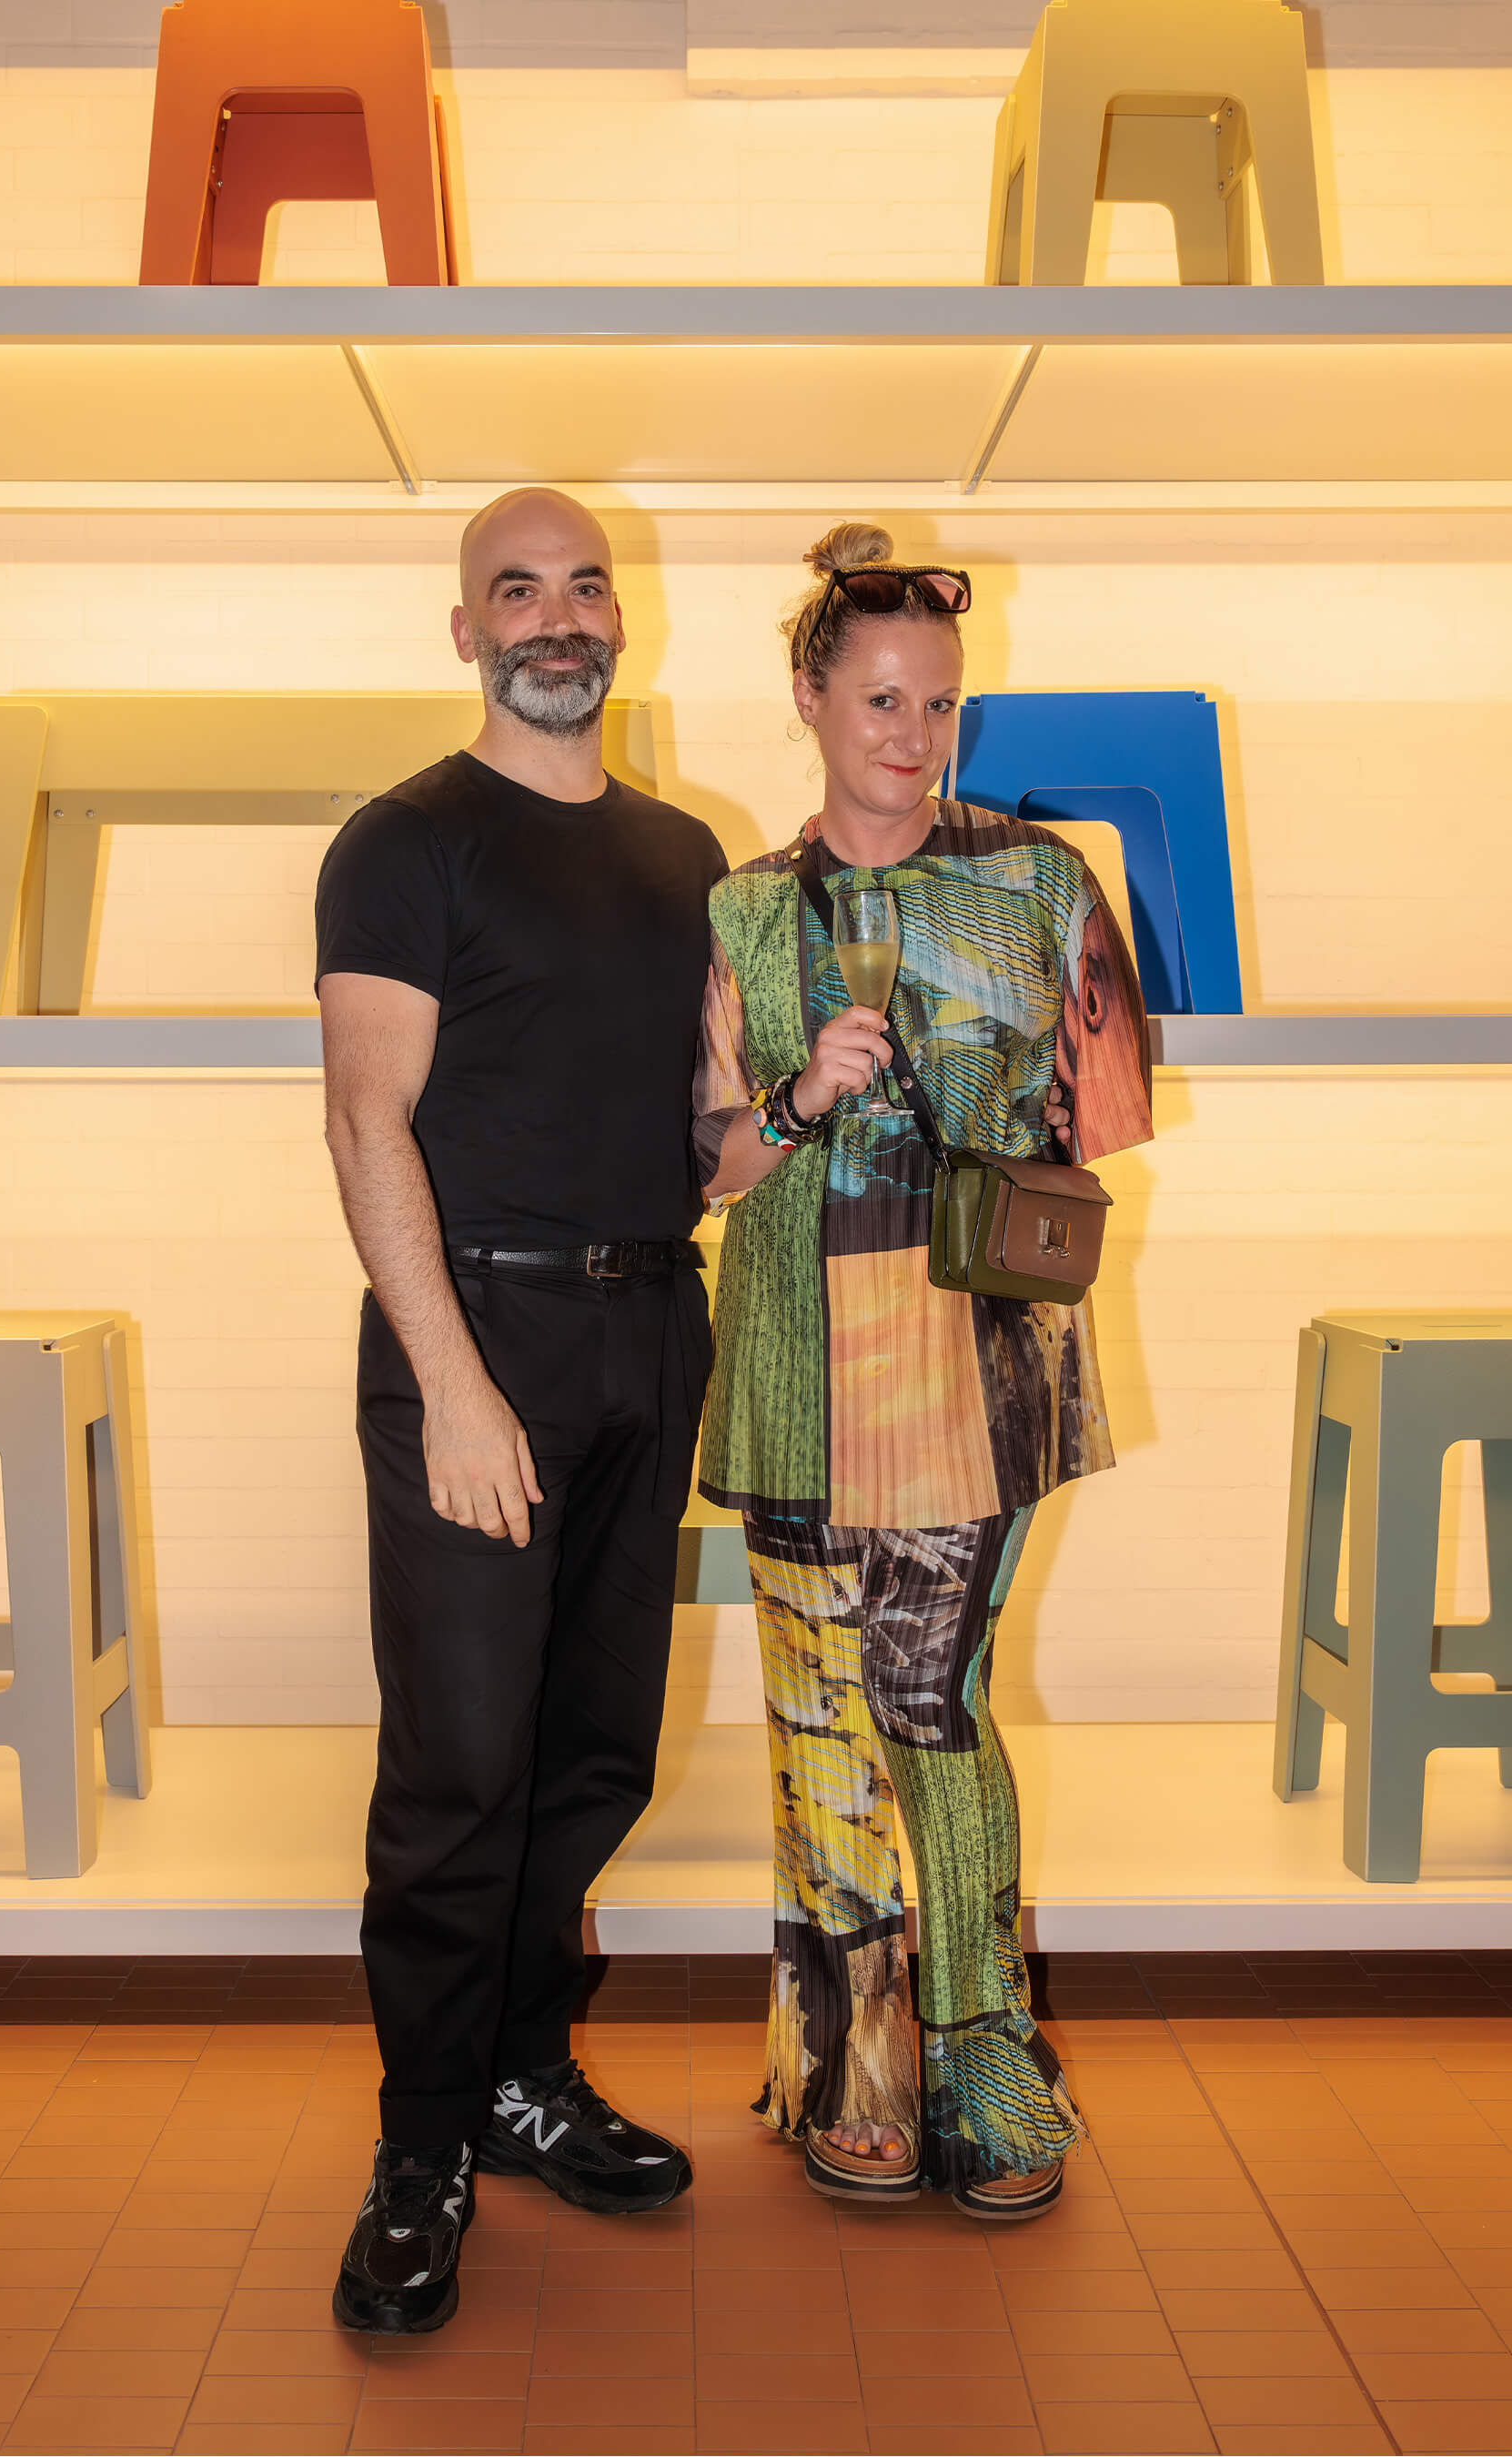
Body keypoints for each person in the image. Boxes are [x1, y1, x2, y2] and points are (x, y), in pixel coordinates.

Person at [693, 523, 1153, 2222]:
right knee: (821, 1722)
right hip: (802, 1358)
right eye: (879, 696)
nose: (912, 732)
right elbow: (707, 1166)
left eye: (940, 703)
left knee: (928, 1704)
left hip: (970, 1360)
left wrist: (970, 1101)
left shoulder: (1043, 885)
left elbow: (1098, 1124)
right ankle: (851, 2068)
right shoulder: (745, 909)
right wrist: (805, 1097)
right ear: (809, 695)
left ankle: (976, 2043)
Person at [315, 487, 726, 2333]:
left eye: (584, 585)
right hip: (476, 1347)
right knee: (462, 1772)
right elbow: (365, 1120)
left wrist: (776, 1116)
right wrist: (461, 1394)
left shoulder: (684, 853)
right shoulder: (407, 842)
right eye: (517, 591)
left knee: (594, 1755)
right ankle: (420, 2149)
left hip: (653, 1328)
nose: (558, 619)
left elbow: (689, 1147)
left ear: (619, 614)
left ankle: (521, 2074)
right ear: (463, 629)